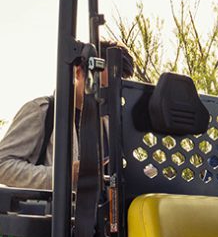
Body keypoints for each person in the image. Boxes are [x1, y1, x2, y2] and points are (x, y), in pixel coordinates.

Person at [0, 40, 134, 190]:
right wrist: (64, 175)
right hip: (53, 212)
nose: (105, 96)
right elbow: (3, 165)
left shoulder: (113, 122)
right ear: (78, 73)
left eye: (112, 91)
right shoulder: (42, 111)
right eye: (101, 86)